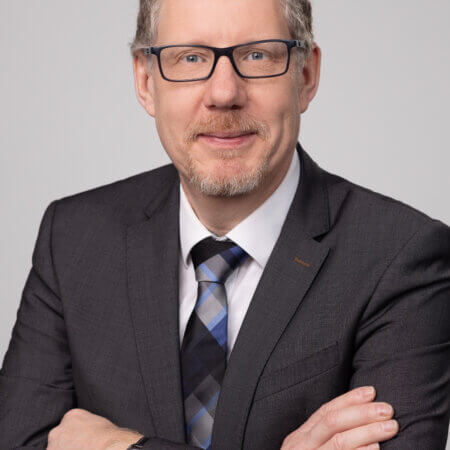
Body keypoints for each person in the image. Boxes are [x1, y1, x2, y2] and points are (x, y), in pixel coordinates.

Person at [1, 0, 449, 448]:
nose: (223, 93)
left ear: (306, 76)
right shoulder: (72, 237)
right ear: (145, 81)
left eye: (257, 55)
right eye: (190, 58)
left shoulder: (401, 259)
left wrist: (120, 447)